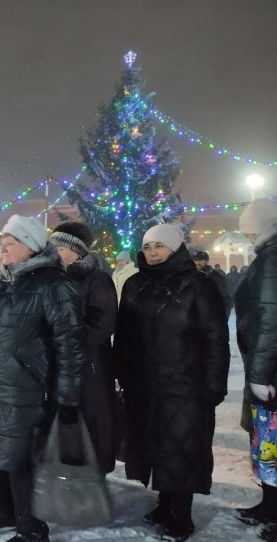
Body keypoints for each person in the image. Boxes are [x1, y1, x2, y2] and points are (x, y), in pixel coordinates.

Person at [0, 215, 86, 542]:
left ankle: (31, 528)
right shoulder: (0, 282)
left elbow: (70, 344)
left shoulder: (54, 284)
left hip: (27, 390)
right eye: (3, 239)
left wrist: (68, 396)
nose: (3, 245)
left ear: (31, 247)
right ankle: (4, 510)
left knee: (19, 463)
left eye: (12, 241)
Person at [114, 224, 230, 541]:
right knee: (156, 450)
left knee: (181, 451)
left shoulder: (198, 285)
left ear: (175, 248)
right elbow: (123, 335)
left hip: (186, 387)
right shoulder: (135, 284)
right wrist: (122, 372)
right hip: (144, 386)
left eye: (159, 246)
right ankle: (165, 506)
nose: (152, 252)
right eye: (148, 246)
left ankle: (181, 519)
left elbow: (216, 339)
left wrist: (213, 385)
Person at [50, 221, 117, 475]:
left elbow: (103, 322)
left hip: (90, 365)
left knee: (91, 419)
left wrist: (69, 342)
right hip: (59, 364)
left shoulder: (97, 279)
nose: (56, 253)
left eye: (60, 249)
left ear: (77, 251)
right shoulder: (52, 280)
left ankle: (92, 476)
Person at [233, 199, 277, 539]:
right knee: (267, 445)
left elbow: (269, 321)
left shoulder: (271, 259)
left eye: (249, 228)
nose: (246, 235)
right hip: (267, 370)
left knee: (271, 443)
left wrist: (260, 376)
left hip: (271, 375)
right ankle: (269, 505)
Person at [193, 250, 232, 316]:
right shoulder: (189, 276)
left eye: (201, 260)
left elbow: (226, 299)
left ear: (206, 261)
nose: (198, 262)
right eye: (195, 260)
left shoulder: (216, 276)